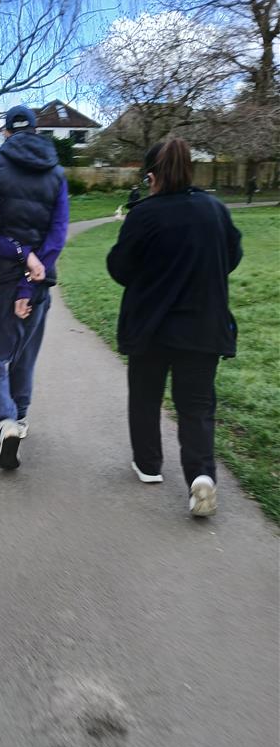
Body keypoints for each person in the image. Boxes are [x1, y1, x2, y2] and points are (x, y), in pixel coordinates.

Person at [107, 138, 242, 517]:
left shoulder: (144, 216)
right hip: (203, 326)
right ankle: (201, 476)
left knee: (145, 398)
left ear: (151, 177)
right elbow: (232, 256)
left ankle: (148, 465)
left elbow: (120, 268)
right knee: (196, 406)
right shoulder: (215, 210)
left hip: (150, 327)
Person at [0, 105, 69, 469]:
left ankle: (6, 420)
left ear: (6, 133)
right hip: (40, 281)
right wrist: (33, 270)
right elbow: (59, 230)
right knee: (25, 353)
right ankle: (21, 416)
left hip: (0, 278)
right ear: (35, 130)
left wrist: (19, 253)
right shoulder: (56, 173)